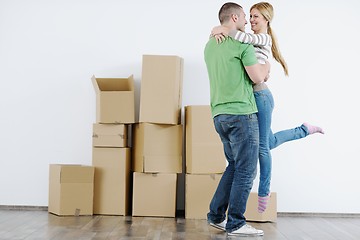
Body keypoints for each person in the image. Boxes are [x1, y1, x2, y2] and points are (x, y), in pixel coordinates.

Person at [211, 2, 324, 214]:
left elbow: (244, 40)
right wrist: (216, 30)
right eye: (250, 16)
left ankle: (264, 192)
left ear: (266, 20)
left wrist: (221, 29)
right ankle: (304, 129)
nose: (252, 20)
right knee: (268, 142)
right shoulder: (245, 39)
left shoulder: (263, 38)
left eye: (256, 17)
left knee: (262, 148)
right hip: (250, 97)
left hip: (260, 96)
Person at [204, 2, 270, 237]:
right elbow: (257, 77)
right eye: (244, 16)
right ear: (233, 18)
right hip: (241, 114)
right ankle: (236, 223)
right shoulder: (242, 43)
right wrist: (267, 66)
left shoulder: (210, 45)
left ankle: (216, 216)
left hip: (219, 115)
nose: (246, 21)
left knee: (233, 166)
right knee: (246, 170)